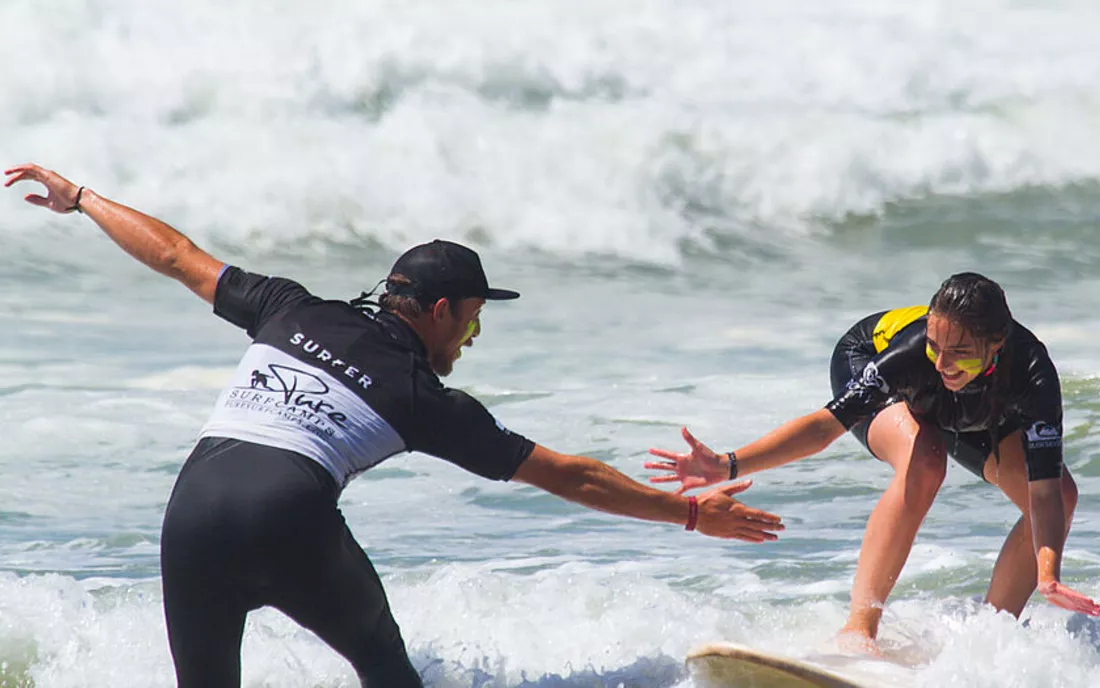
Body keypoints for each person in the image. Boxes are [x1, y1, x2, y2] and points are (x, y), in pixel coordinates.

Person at [4, 163, 784, 688]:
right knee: (388, 674)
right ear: (441, 311)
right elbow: (567, 473)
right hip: (288, 517)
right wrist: (688, 512)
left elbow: (176, 255)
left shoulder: (289, 307)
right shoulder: (420, 397)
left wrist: (82, 201)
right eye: (472, 323)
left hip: (189, 515)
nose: (470, 343)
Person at [646, 272, 1100, 651]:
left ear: (997, 344)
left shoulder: (1034, 375)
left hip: (977, 405)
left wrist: (1049, 576)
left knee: (1061, 492)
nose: (942, 363)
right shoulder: (914, 356)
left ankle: (989, 633)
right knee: (925, 460)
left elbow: (1042, 490)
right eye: (936, 346)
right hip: (866, 357)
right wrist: (728, 465)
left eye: (958, 352)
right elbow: (825, 427)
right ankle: (859, 630)